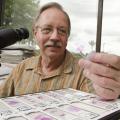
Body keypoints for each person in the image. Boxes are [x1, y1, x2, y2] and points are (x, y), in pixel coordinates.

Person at [0, 2, 120, 100]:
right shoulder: (21, 68)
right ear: (36, 34)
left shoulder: (84, 73)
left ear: (67, 38)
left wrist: (111, 92)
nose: (55, 37)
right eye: (47, 29)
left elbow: (99, 102)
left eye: (62, 31)